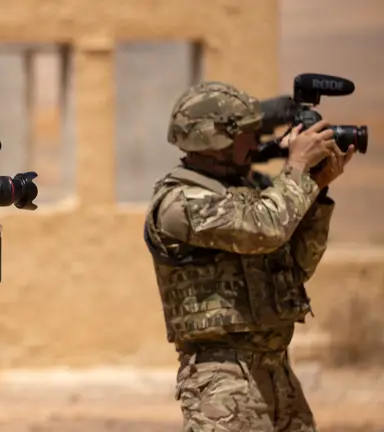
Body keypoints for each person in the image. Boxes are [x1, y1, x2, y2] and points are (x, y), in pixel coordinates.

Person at [143, 81, 355, 431]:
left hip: (276, 371)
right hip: (223, 381)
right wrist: (297, 166)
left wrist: (318, 188)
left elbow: (297, 265)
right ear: (215, 141)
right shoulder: (180, 203)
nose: (256, 141)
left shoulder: (248, 193)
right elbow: (267, 229)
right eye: (246, 132)